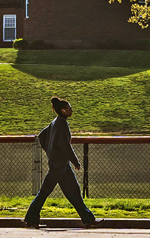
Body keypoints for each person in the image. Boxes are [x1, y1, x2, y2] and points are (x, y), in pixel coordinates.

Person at [25, 97, 100, 229]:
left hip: (60, 165)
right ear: (63, 110)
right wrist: (75, 162)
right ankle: (31, 218)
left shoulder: (55, 122)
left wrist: (50, 151)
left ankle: (88, 219)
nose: (72, 110)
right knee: (45, 192)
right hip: (60, 165)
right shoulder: (62, 123)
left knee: (74, 192)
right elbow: (65, 145)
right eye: (70, 108)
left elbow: (42, 136)